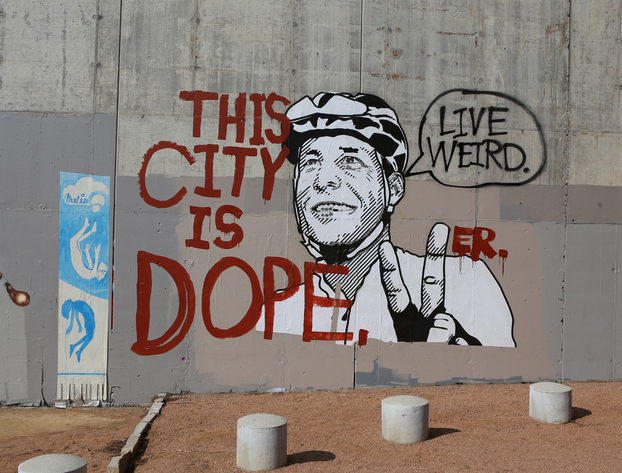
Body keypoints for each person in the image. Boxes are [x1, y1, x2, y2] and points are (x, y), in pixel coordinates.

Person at [256, 92, 515, 347]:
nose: (324, 180)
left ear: (394, 188)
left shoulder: (465, 284)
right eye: (311, 162)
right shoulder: (278, 313)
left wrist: (448, 358)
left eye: (350, 160)